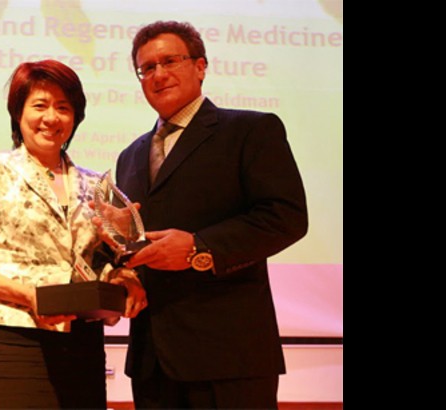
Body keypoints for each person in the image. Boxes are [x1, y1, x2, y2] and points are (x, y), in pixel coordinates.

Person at [113, 20, 309, 409]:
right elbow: (140, 244)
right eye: (147, 68)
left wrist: (198, 248)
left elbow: (286, 216)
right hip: (153, 361)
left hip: (229, 356)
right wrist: (118, 253)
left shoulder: (250, 130)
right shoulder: (130, 155)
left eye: (170, 61)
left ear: (200, 66)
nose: (159, 74)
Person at [0, 59, 147, 409]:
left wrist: (124, 276)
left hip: (81, 343)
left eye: (63, 108)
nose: (51, 117)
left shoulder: (95, 184)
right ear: (18, 112)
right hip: (10, 339)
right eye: (39, 105)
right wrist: (31, 296)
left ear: (75, 117)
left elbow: (100, 262)